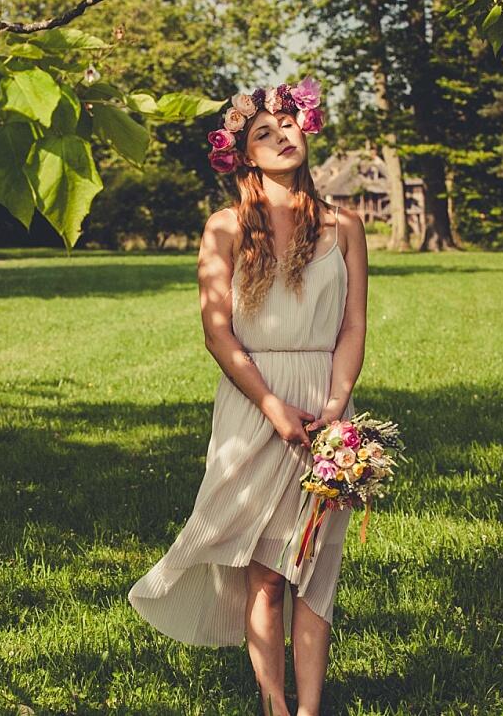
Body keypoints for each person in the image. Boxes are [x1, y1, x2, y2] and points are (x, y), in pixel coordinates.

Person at [127, 77, 369, 716]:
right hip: (254, 402)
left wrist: (335, 413)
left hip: (323, 405)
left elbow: (353, 327)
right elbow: (217, 330)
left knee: (314, 572)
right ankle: (274, 706)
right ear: (244, 154)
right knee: (263, 573)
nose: (283, 135)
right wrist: (272, 408)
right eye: (265, 131)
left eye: (290, 123)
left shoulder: (345, 225)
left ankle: (311, 709)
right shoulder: (226, 227)